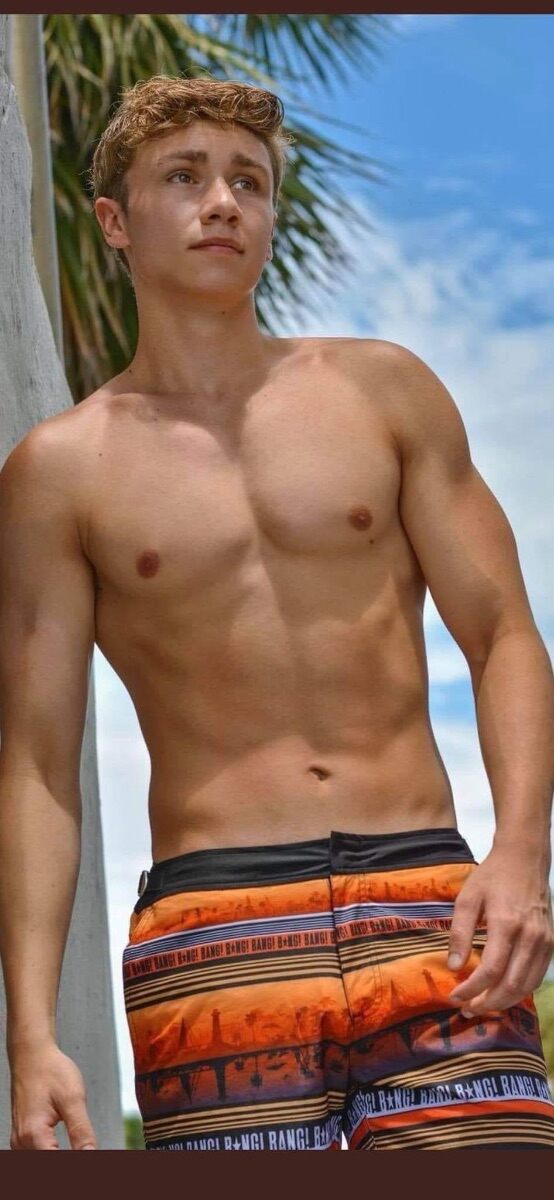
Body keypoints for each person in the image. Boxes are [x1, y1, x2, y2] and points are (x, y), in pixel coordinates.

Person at [1, 73, 553, 1153]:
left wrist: (521, 854)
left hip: (429, 903)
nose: (223, 202)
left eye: (248, 182)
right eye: (185, 176)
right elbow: (36, 763)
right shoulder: (60, 472)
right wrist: (30, 1032)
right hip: (213, 929)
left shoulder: (383, 393)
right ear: (114, 222)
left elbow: (502, 636)